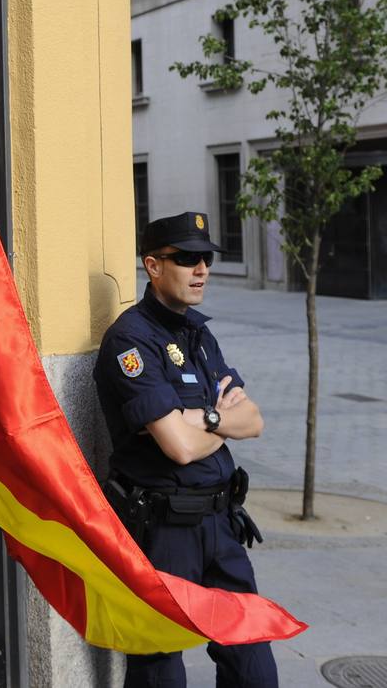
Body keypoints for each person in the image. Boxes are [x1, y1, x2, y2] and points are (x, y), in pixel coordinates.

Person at [94, 211, 276, 687]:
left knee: (251, 658)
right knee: (160, 671)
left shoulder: (198, 332)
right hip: (163, 527)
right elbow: (176, 447)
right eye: (188, 258)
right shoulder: (130, 340)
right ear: (153, 266)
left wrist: (205, 419)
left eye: (207, 259)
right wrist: (219, 421)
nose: (202, 270)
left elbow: (253, 420)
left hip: (221, 521)